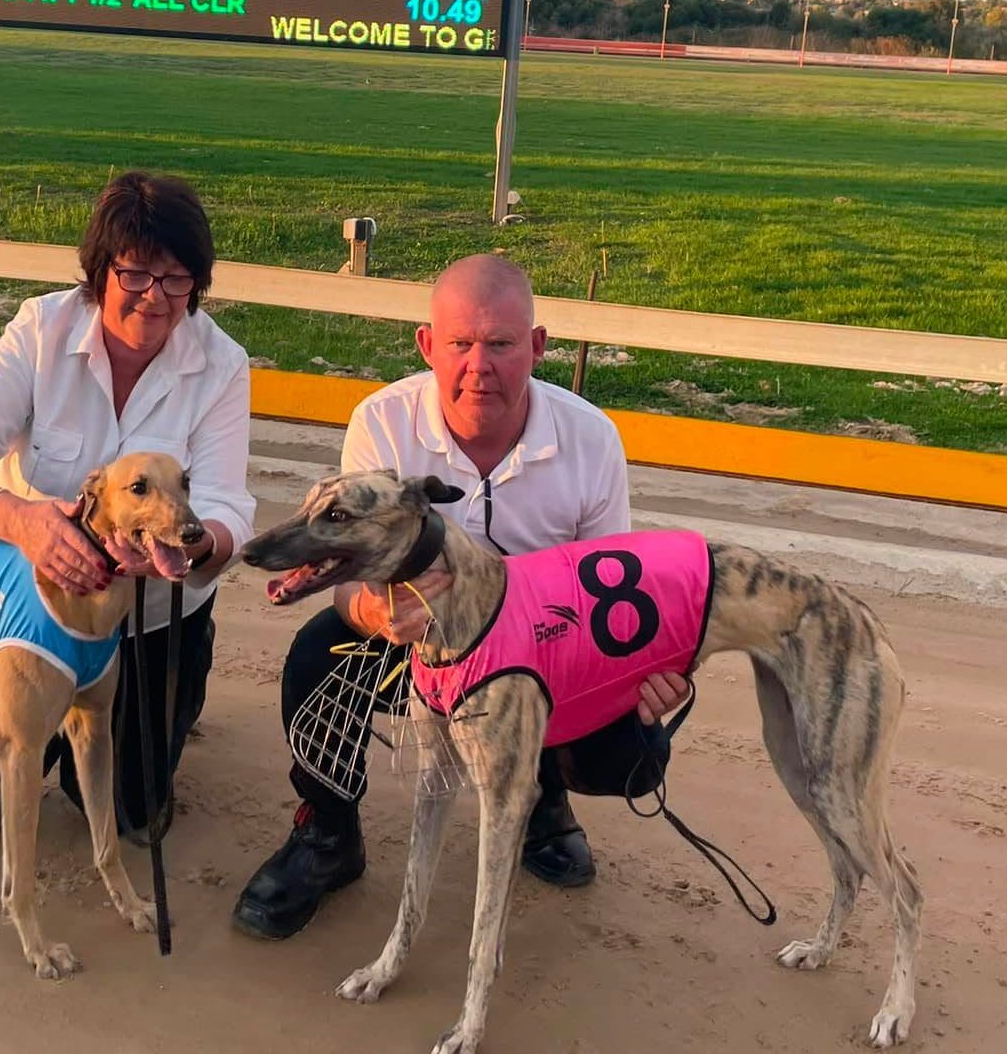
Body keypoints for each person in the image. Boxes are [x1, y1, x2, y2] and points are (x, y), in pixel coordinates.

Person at [232, 254, 691, 939]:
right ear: (427, 346)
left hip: (542, 652)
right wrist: (377, 614)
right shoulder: (382, 423)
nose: (480, 365)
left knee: (633, 754)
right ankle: (327, 831)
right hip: (417, 642)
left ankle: (541, 798)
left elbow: (607, 596)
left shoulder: (591, 438)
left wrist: (648, 673)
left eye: (502, 344)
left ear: (537, 347)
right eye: (461, 344)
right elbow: (348, 572)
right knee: (315, 658)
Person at [0, 170, 256, 838]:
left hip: (147, 621)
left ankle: (164, 702)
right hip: (25, 601)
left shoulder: (221, 364)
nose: (154, 300)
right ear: (99, 272)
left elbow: (226, 507)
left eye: (176, 279)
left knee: (131, 810)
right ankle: (10, 753)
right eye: (134, 274)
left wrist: (186, 549)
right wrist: (20, 521)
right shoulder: (42, 329)